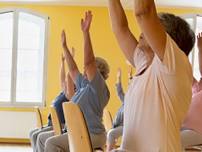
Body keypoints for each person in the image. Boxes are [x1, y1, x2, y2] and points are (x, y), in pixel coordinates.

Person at [108, 0, 195, 151]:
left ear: (168, 39)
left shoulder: (174, 66)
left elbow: (144, 12)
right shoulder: (144, 62)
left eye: (149, 27)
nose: (141, 31)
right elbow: (120, 29)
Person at [37, 11, 110, 152]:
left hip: (93, 134)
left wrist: (86, 33)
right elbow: (73, 70)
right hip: (79, 131)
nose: (83, 70)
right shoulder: (85, 85)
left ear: (97, 72)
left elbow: (88, 63)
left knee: (51, 144)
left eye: (87, 69)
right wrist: (64, 47)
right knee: (44, 139)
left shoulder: (99, 87)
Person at [29, 52, 73, 152]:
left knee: (38, 136)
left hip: (58, 126)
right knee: (33, 133)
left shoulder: (69, 95)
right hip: (51, 124)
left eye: (68, 81)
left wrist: (71, 61)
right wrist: (62, 61)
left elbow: (67, 77)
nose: (65, 81)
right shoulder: (63, 92)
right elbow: (62, 78)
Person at [181, 32, 202, 149]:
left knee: (174, 141)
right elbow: (185, 71)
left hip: (198, 131)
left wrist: (200, 49)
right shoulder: (196, 87)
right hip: (186, 126)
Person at [107, 68, 132, 152]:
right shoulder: (126, 100)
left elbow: (130, 87)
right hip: (120, 125)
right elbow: (120, 92)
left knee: (111, 134)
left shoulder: (133, 102)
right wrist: (119, 78)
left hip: (127, 127)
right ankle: (112, 149)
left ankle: (109, 150)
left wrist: (130, 78)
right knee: (110, 133)